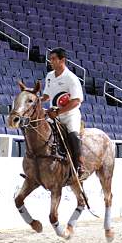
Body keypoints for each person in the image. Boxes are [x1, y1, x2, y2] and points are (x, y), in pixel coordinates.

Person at [42, 47, 85, 177]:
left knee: (73, 135)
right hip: (53, 115)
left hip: (69, 115)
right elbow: (47, 96)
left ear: (62, 60)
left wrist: (59, 112)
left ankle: (79, 164)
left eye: (54, 59)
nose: (51, 61)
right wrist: (35, 100)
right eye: (50, 59)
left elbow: (76, 101)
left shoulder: (71, 78)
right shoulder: (49, 76)